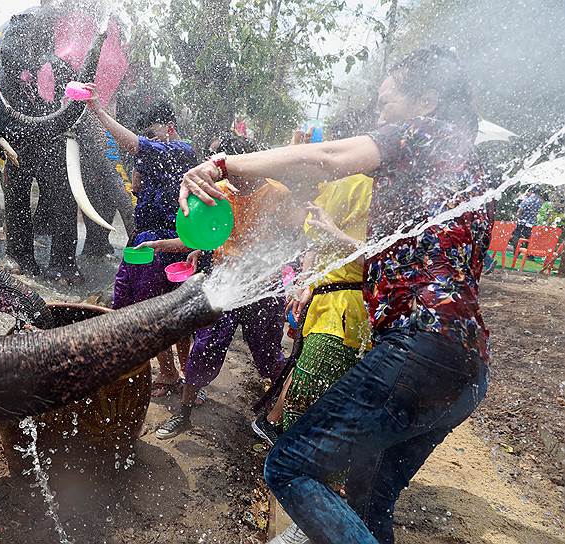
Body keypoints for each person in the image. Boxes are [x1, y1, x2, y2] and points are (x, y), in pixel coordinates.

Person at [180, 47, 492, 544]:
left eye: (387, 104)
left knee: (289, 467)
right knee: (369, 501)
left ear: (427, 100)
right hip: (469, 367)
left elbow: (325, 158)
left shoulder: (427, 133)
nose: (379, 117)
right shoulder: (460, 170)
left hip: (419, 348)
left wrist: (221, 164)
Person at [142, 132, 292, 440]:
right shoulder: (218, 192)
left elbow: (292, 241)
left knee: (268, 355)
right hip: (225, 284)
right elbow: (201, 236)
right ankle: (183, 415)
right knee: (205, 346)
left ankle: (280, 413)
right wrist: (168, 245)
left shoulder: (278, 195)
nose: (225, 177)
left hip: (263, 289)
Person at [85, 84, 197, 397]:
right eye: (145, 133)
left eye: (153, 133)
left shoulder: (182, 150)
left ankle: (187, 377)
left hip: (173, 244)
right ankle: (161, 371)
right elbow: (137, 185)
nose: (148, 138)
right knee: (126, 300)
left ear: (170, 129)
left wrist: (99, 112)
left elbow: (135, 145)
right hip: (143, 242)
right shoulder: (151, 159)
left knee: (172, 314)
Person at [251, 173, 373, 446]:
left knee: (313, 381)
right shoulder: (353, 184)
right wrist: (306, 283)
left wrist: (334, 235)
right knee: (309, 384)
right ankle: (287, 449)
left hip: (346, 308)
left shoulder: (369, 189)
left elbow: (380, 257)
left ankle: (276, 429)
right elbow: (318, 242)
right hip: (334, 308)